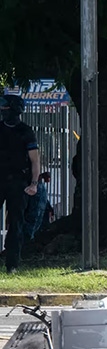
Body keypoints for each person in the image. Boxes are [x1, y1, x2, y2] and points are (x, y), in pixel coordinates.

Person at [0, 95, 39, 273]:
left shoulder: (26, 131)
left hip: (18, 182)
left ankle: (12, 264)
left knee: (16, 223)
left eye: (5, 107)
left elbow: (35, 161)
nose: (2, 111)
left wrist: (34, 183)